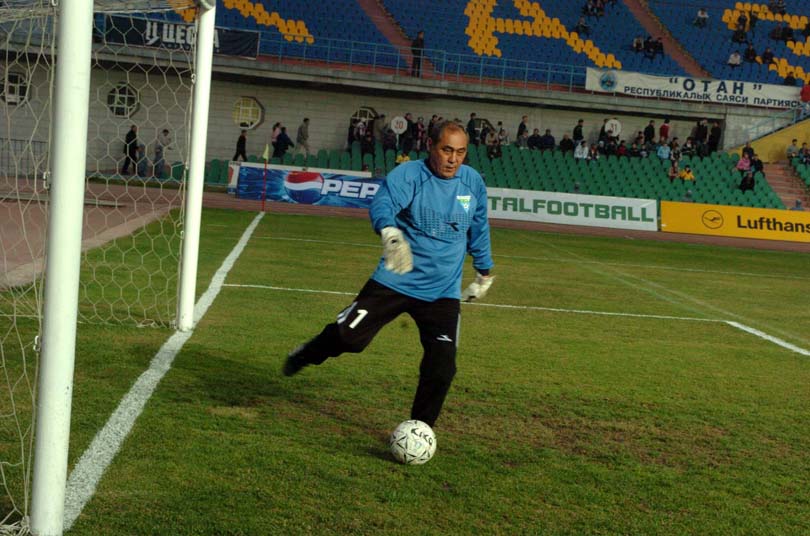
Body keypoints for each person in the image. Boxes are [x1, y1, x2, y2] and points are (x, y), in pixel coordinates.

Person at [283, 121, 495, 429]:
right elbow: (384, 203)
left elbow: (479, 227)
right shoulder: (409, 175)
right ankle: (307, 353)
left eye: (460, 152)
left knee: (442, 366)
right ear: (431, 147)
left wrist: (484, 274)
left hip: (441, 292)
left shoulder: (472, 182)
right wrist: (391, 234)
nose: (453, 159)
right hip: (396, 278)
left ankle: (420, 429)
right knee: (348, 338)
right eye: (446, 150)